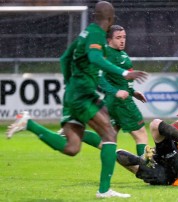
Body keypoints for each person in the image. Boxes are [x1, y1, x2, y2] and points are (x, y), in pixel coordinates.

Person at [6, 1, 147, 198]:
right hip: (82, 94)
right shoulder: (97, 34)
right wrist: (123, 73)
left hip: (75, 92)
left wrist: (70, 82)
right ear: (110, 18)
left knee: (72, 147)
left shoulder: (86, 33)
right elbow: (96, 59)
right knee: (109, 135)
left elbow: (64, 58)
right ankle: (104, 190)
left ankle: (29, 123)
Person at [98, 25, 148, 156]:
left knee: (108, 140)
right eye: (118, 37)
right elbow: (99, 79)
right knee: (141, 134)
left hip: (114, 102)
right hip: (122, 103)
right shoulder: (107, 54)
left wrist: (133, 92)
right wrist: (116, 92)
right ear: (109, 40)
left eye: (124, 37)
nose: (122, 40)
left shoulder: (122, 54)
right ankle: (147, 170)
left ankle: (77, 134)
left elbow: (122, 80)